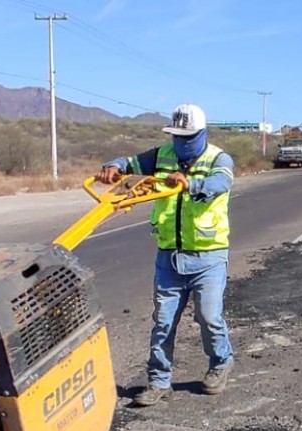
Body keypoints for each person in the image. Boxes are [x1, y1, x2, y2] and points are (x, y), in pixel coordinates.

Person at [95, 103, 235, 407]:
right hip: (169, 257)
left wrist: (192, 184)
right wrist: (114, 166)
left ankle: (221, 363)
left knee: (208, 317)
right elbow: (130, 161)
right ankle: (158, 381)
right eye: (176, 136)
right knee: (163, 322)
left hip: (207, 257)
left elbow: (220, 182)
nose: (181, 143)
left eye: (187, 137)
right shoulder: (162, 155)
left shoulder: (217, 158)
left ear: (202, 133)